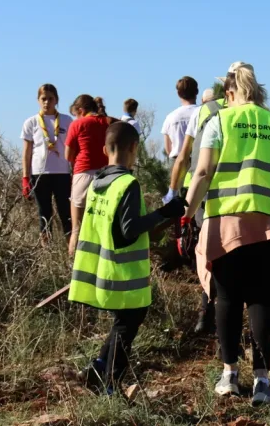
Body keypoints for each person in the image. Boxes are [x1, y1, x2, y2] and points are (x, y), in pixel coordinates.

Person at [183, 62, 270, 405]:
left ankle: (229, 374)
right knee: (261, 299)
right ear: (259, 93)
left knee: (227, 299)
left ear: (229, 93)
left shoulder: (220, 120)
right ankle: (263, 381)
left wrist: (184, 213)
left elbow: (202, 171)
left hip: (228, 221)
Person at [70, 122, 186, 393]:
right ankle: (110, 384)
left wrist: (164, 217)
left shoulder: (98, 182)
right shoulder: (128, 183)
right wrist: (165, 212)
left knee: (123, 321)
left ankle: (99, 366)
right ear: (134, 147)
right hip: (124, 274)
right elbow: (129, 229)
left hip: (100, 270)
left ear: (104, 149)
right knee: (128, 324)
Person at [169, 76, 229, 335]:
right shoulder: (241, 111)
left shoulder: (202, 113)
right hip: (233, 192)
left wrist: (174, 191)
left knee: (205, 252)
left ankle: (207, 311)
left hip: (203, 193)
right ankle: (222, 313)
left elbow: (184, 157)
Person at [21, 84, 74, 237]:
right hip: (39, 173)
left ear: (56, 100)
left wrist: (74, 171)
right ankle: (46, 251)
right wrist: (25, 178)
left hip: (62, 172)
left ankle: (69, 250)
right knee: (44, 213)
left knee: (66, 212)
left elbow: (72, 148)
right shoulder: (31, 122)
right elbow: (27, 152)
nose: (47, 102)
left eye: (50, 99)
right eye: (43, 99)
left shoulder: (66, 120)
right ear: (38, 100)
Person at [66, 95, 112, 257]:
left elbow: (68, 155)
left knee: (77, 228)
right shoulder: (109, 122)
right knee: (102, 227)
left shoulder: (78, 124)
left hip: (83, 174)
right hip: (107, 176)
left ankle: (73, 266)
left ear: (81, 110)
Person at [161, 76, 199, 165]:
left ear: (178, 93)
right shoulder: (204, 113)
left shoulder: (170, 117)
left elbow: (168, 149)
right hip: (201, 162)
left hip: (178, 163)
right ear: (196, 92)